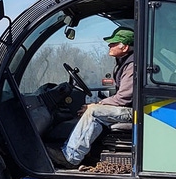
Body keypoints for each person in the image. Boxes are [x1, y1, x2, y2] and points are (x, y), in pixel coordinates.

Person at [48, 27, 134, 169]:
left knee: (93, 112)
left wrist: (97, 104)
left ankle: (71, 157)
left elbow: (124, 98)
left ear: (124, 47)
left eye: (113, 43)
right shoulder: (123, 62)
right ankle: (85, 152)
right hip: (127, 109)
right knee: (92, 109)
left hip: (132, 112)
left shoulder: (131, 66)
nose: (109, 46)